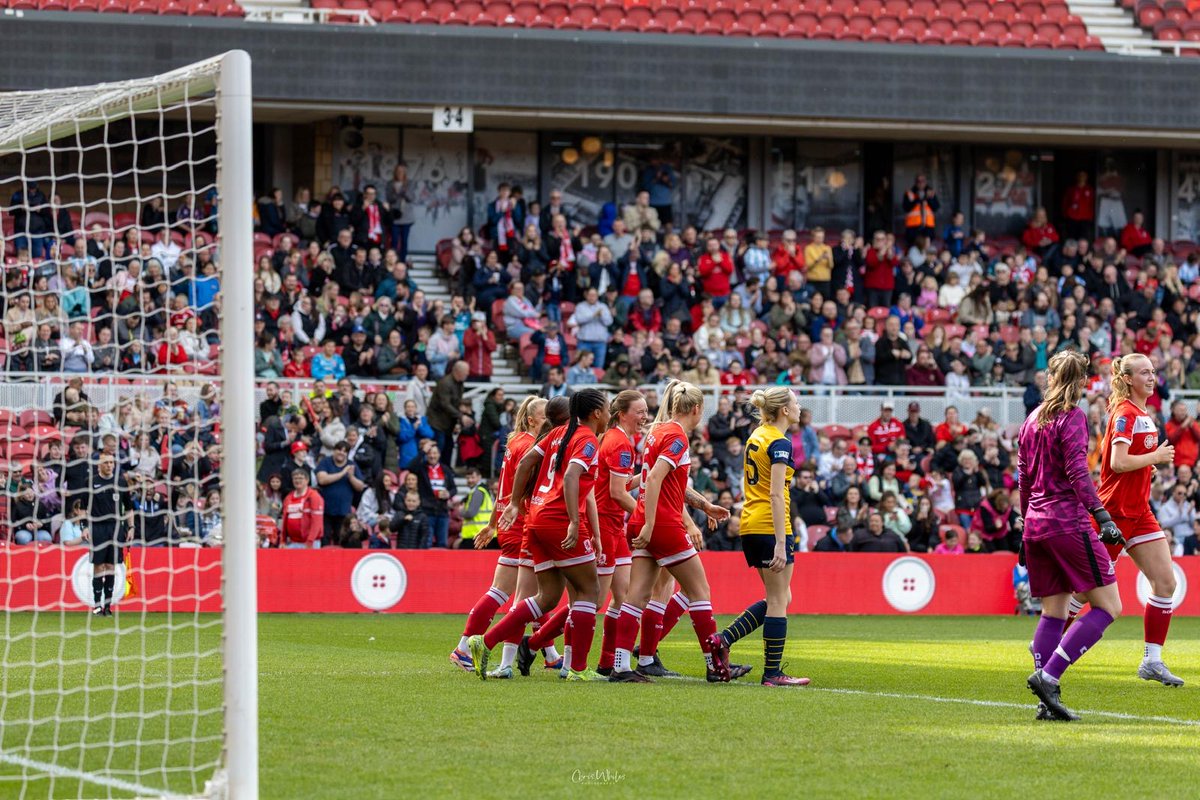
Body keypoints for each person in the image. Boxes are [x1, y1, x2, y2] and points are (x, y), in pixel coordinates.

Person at [469, 389, 611, 681]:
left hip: (535, 519)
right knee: (589, 591)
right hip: (560, 519)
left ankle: (485, 641)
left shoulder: (557, 435)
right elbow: (572, 476)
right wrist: (574, 521)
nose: (609, 415)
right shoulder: (585, 438)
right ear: (596, 413)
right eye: (607, 410)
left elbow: (525, 464)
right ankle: (578, 670)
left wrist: (512, 503)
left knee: (546, 597)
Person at [1019, 350, 1125, 721]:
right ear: (1082, 382)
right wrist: (1101, 514)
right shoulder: (1073, 417)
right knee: (1109, 607)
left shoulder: (1031, 419)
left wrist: (1024, 525)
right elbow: (1079, 472)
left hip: (1035, 524)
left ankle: (1045, 703)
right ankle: (1048, 678)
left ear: (1049, 377)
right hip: (1068, 523)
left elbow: (1024, 479)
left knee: (1054, 611)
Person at [608, 381, 734, 683]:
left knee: (636, 596)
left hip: (643, 520)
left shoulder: (658, 432)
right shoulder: (677, 436)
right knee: (699, 592)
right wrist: (651, 524)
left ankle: (621, 666)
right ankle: (714, 665)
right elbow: (654, 480)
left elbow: (658, 481)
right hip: (662, 524)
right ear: (697, 409)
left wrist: (704, 505)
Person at [1079, 354, 1182, 686]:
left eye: (1153, 372)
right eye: (1144, 373)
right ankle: (1045, 646)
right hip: (1116, 512)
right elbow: (1118, 462)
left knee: (1165, 582)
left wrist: (1146, 466)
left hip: (1140, 511)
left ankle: (1152, 660)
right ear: (1127, 379)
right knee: (1084, 591)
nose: (1151, 378)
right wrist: (1156, 457)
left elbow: (1129, 463)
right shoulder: (1125, 413)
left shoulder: (1142, 414)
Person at [714, 387, 811, 687]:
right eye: (795, 403)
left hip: (750, 524)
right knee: (780, 600)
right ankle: (772, 673)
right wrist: (782, 542)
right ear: (784, 410)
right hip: (770, 525)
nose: (799, 407)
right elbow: (776, 494)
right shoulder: (780, 442)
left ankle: (723, 639)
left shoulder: (757, 435)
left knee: (779, 597)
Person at [452, 397, 549, 676]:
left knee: (524, 594)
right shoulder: (529, 446)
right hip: (522, 525)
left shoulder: (515, 443)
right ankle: (484, 655)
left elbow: (505, 491)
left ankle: (549, 654)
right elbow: (521, 492)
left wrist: (493, 525)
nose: (550, 424)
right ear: (532, 419)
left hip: (510, 524)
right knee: (523, 596)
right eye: (545, 419)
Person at [88, 452, 129, 616]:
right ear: (99, 465)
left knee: (111, 567)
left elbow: (129, 508)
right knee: (99, 566)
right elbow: (85, 508)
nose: (109, 465)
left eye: (111, 463)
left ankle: (108, 606)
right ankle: (97, 605)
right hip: (97, 528)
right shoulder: (91, 483)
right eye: (106, 463)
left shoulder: (120, 482)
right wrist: (85, 526)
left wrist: (131, 528)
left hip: (115, 528)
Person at [315, 441, 366, 545]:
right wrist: (343, 473)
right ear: (334, 451)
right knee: (324, 540)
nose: (341, 453)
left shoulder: (352, 465)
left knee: (341, 541)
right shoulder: (326, 462)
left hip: (343, 511)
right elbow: (322, 479)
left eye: (345, 451)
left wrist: (351, 476)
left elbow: (360, 487)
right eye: (339, 450)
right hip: (326, 511)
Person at [281, 469, 325, 548]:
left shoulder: (314, 496)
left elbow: (317, 521)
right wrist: (282, 540)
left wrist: (310, 541)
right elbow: (284, 520)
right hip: (292, 542)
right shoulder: (288, 498)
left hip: (310, 543)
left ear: (307, 480)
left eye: (300, 478)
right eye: (295, 478)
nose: (297, 481)